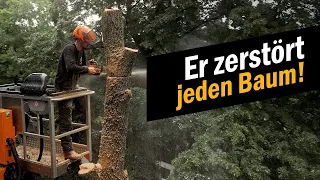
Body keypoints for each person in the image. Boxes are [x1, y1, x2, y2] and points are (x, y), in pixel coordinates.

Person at [54, 25, 100, 160]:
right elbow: (71, 67)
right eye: (87, 41)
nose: (89, 44)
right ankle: (68, 151)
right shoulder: (69, 49)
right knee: (66, 119)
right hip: (63, 87)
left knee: (83, 107)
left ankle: (60, 118)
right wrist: (87, 69)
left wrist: (91, 66)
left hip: (74, 86)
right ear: (80, 39)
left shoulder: (82, 52)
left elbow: (83, 68)